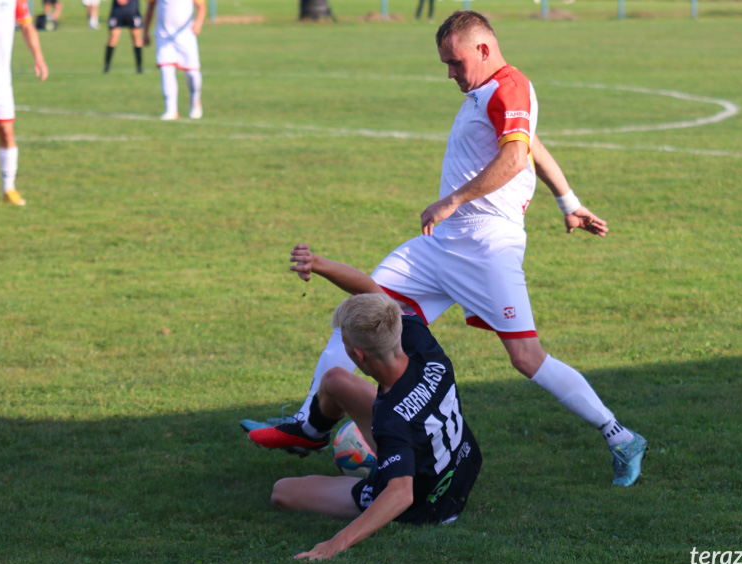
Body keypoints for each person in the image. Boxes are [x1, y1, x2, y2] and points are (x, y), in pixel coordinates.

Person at [247, 10, 647, 487]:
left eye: (455, 63)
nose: (451, 74)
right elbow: (534, 145)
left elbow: (517, 154)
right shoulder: (486, 91)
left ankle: (620, 436)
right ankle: (310, 426)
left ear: (483, 48)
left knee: (526, 359)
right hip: (439, 248)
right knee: (363, 310)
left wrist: (453, 199)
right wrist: (569, 201)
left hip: (484, 248)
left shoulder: (509, 85)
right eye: (445, 65)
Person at [253, 244, 482, 561]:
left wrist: (333, 545)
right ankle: (312, 432)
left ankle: (373, 471)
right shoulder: (421, 343)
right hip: (462, 465)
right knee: (334, 380)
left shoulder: (391, 419)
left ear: (357, 355)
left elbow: (400, 495)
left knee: (283, 492)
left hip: (427, 504)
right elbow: (372, 290)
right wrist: (318, 263)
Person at [0, 0, 47, 207]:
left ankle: (9, 188)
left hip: (0, 81)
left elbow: (26, 25)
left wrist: (38, 57)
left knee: (6, 131)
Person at [143, 0, 204, 120]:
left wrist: (198, 23)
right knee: (166, 70)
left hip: (186, 35)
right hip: (163, 36)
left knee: (192, 73)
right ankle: (171, 110)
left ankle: (195, 100)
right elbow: (150, 8)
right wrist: (145, 32)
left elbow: (201, 7)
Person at [104, 0, 144, 74]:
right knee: (113, 39)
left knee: (137, 39)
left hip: (133, 11)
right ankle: (107, 67)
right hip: (118, 12)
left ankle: (139, 68)